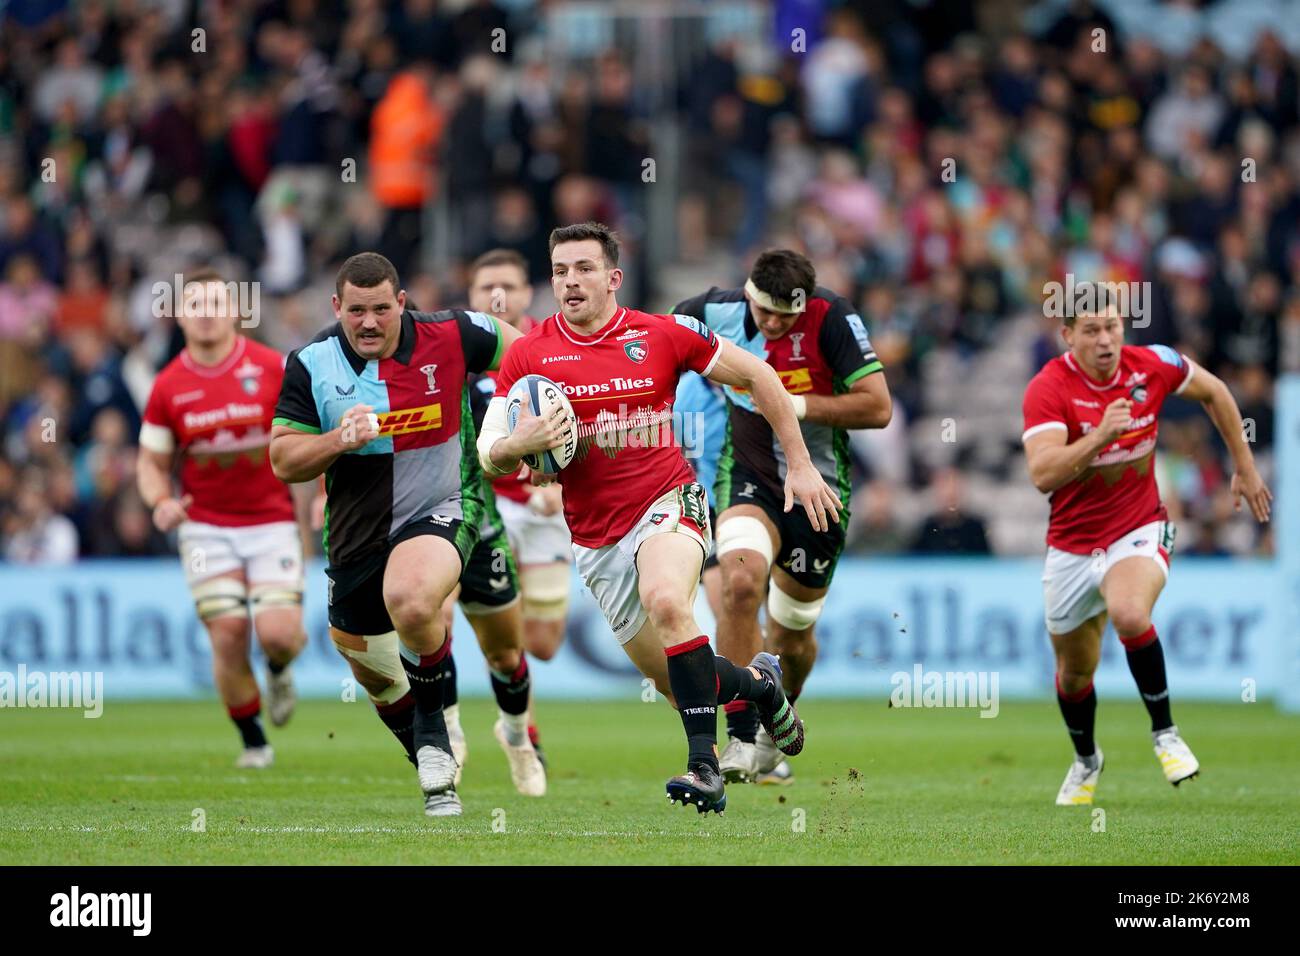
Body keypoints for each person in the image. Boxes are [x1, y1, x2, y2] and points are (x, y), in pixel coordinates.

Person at [477, 222, 843, 814]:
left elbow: (759, 375)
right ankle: (760, 687)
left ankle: (705, 769)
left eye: (585, 269)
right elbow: (488, 454)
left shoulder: (662, 335)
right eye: (561, 271)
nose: (571, 282)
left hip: (668, 502)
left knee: (670, 602)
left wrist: (799, 463)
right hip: (595, 538)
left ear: (613, 278)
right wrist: (519, 444)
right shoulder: (528, 354)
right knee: (682, 685)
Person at [269, 252, 520, 817]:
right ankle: (431, 760)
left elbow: (526, 354)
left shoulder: (453, 333)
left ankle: (437, 737)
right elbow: (284, 461)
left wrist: (523, 422)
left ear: (401, 304)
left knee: (410, 599)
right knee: (378, 678)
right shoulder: (311, 364)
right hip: (355, 541)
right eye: (356, 310)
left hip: (443, 505)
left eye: (381, 309)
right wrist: (337, 440)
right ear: (337, 308)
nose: (369, 323)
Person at [1022, 292, 1271, 806]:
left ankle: (1166, 733)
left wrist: (1244, 466)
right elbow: (1043, 473)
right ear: (1067, 336)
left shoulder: (1154, 363)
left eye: (1112, 326)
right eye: (1090, 330)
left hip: (1139, 526)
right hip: (1071, 544)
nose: (1106, 339)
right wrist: (1099, 436)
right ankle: (1087, 758)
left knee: (1131, 614)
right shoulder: (1048, 388)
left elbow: (1217, 392)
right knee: (1074, 672)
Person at [672, 249, 892, 785]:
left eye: (784, 317)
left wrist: (796, 404)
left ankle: (776, 722)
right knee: (740, 585)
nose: (771, 324)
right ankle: (742, 739)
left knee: (791, 635)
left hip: (819, 487)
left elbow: (878, 407)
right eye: (763, 311)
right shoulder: (709, 309)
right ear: (747, 293)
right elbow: (655, 354)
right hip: (746, 477)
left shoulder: (833, 317)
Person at [137, 268, 310, 769]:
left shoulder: (272, 367)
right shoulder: (168, 386)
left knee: (278, 633)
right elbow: (151, 462)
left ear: (235, 310)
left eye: (216, 304)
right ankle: (254, 741)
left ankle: (278, 668)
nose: (207, 315)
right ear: (180, 315)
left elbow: (307, 433)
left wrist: (319, 493)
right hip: (206, 527)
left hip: (272, 521)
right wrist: (159, 502)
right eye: (196, 306)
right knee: (229, 633)